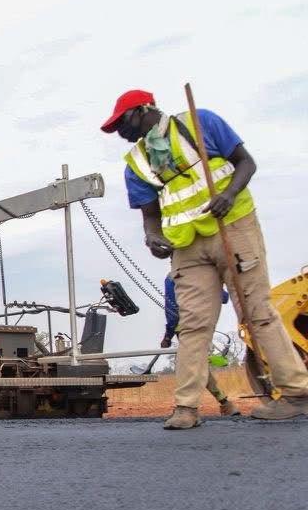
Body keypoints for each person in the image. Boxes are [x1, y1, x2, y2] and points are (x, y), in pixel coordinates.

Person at [101, 89, 308, 429]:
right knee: (193, 325)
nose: (119, 133)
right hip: (187, 246)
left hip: (233, 228)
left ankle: (297, 393)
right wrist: (153, 238)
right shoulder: (136, 163)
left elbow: (246, 162)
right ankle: (186, 408)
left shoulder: (200, 123)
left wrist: (228, 194)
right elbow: (150, 215)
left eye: (121, 123)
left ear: (143, 110)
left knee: (258, 314)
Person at [160, 276, 237, 416]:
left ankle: (187, 407)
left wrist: (168, 335)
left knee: (190, 367)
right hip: (206, 324)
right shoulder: (204, 272)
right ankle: (225, 403)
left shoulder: (172, 277)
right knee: (199, 365)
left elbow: (171, 308)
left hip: (185, 328)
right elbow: (224, 297)